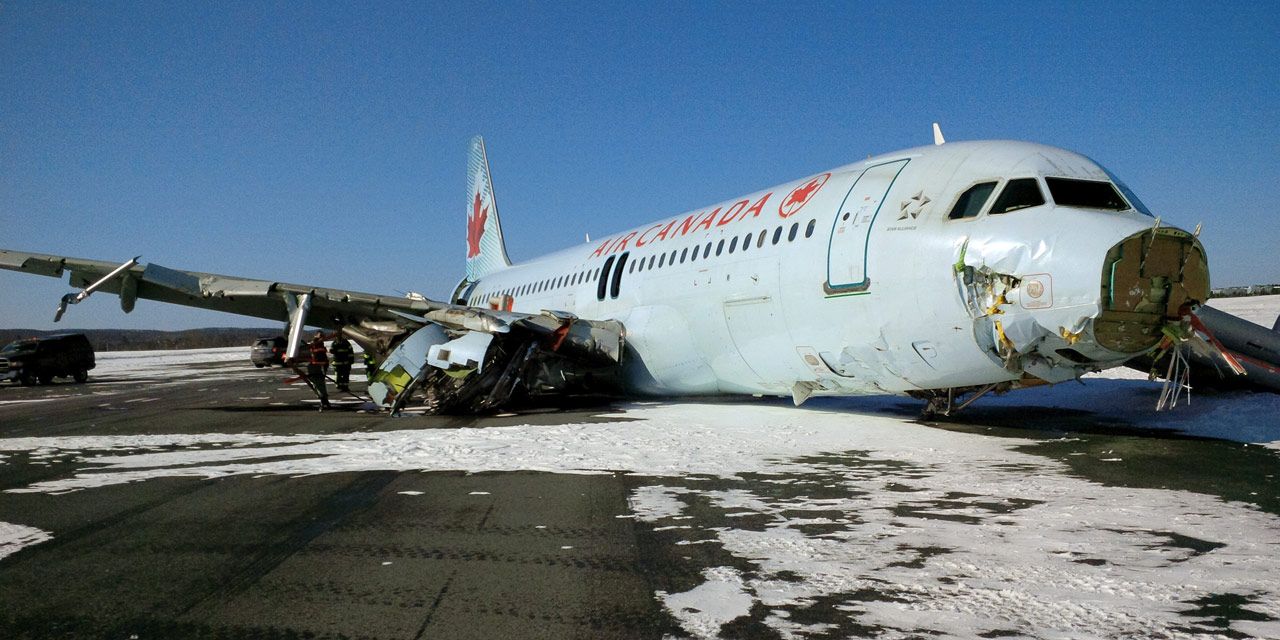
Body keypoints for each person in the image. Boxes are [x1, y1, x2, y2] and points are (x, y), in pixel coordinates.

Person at [306, 332, 331, 410]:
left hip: (318, 367)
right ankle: (323, 399)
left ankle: (323, 399)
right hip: (316, 366)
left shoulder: (319, 345)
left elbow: (323, 356)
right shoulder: (315, 344)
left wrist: (325, 365)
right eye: (321, 336)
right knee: (319, 384)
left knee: (319, 384)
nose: (322, 338)